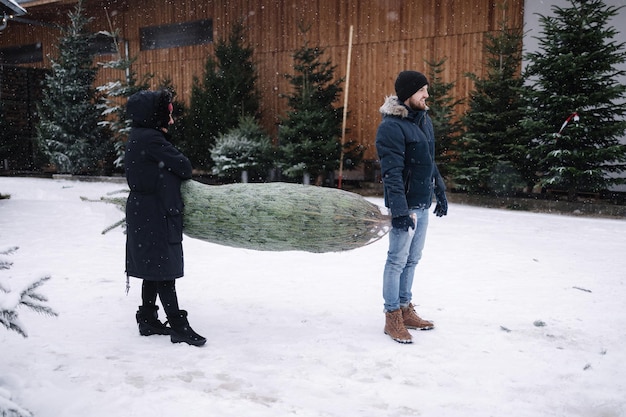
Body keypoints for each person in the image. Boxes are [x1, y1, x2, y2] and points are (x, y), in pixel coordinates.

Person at [124, 89, 206, 347]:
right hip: (155, 213)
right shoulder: (151, 139)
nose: (171, 121)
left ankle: (148, 318)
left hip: (145, 212)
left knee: (152, 266)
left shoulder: (140, 136)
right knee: (163, 270)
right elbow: (184, 167)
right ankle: (178, 326)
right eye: (167, 114)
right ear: (154, 114)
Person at [375, 70, 448, 344]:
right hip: (404, 205)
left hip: (422, 203)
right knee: (396, 260)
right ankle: (392, 315)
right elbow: (392, 173)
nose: (427, 96)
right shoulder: (391, 127)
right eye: (422, 91)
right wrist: (400, 212)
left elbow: (429, 162)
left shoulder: (423, 121)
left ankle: (405, 308)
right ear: (408, 95)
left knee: (413, 259)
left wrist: (439, 192)